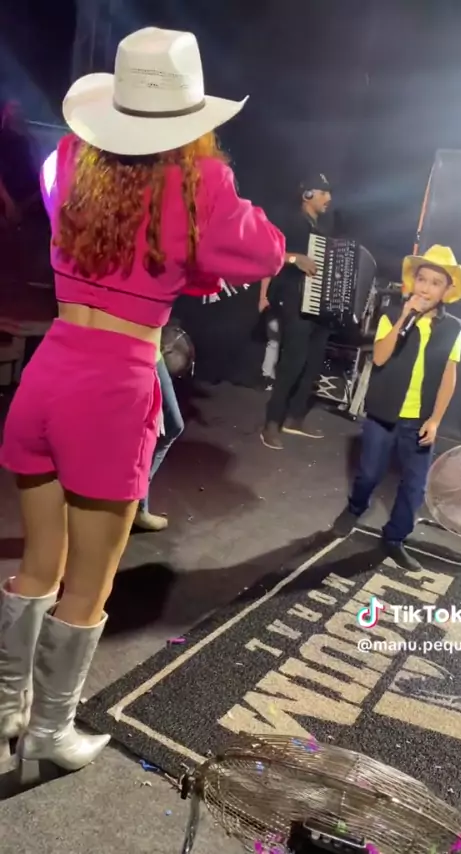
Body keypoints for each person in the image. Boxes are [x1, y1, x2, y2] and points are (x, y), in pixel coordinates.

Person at [0, 27, 285, 778]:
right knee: (89, 584)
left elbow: (98, 239)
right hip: (114, 388)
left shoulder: (69, 160)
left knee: (39, 564)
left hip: (49, 371)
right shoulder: (201, 185)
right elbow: (264, 248)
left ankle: (3, 713)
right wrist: (213, 195)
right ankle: (49, 732)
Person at [333, 245, 461, 570]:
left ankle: (395, 538)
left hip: (419, 420)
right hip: (383, 413)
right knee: (369, 473)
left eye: (435, 282)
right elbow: (379, 358)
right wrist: (405, 317)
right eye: (422, 279)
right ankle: (355, 507)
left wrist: (435, 420)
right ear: (413, 282)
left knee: (415, 487)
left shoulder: (453, 330)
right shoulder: (392, 315)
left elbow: (448, 379)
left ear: (446, 291)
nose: (426, 288)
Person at [259, 174, 333, 450]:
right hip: (292, 299)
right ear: (307, 195)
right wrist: (293, 258)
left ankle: (295, 418)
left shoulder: (320, 230)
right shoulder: (290, 221)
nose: (328, 198)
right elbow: (267, 254)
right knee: (292, 363)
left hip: (315, 304)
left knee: (313, 363)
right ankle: (271, 423)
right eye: (323, 192)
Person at [134, 353, 184, 531]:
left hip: (151, 353)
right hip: (134, 355)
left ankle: (135, 500)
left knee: (170, 426)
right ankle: (134, 501)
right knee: (165, 426)